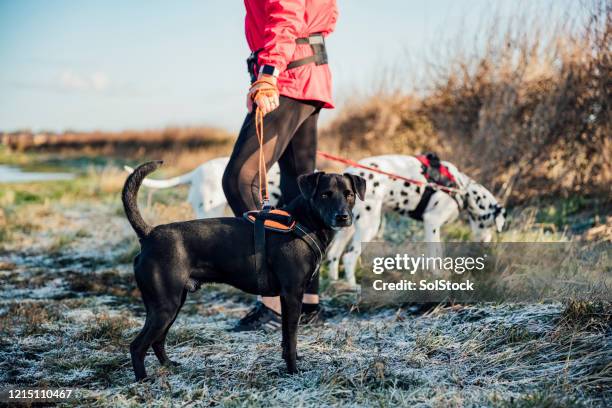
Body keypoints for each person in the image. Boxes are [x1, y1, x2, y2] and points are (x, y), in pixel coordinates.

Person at [222, 0, 338, 331]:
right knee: (301, 194)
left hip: (287, 77)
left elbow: (285, 16)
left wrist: (268, 74)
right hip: (305, 74)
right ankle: (308, 305)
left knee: (239, 181)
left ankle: (274, 302)